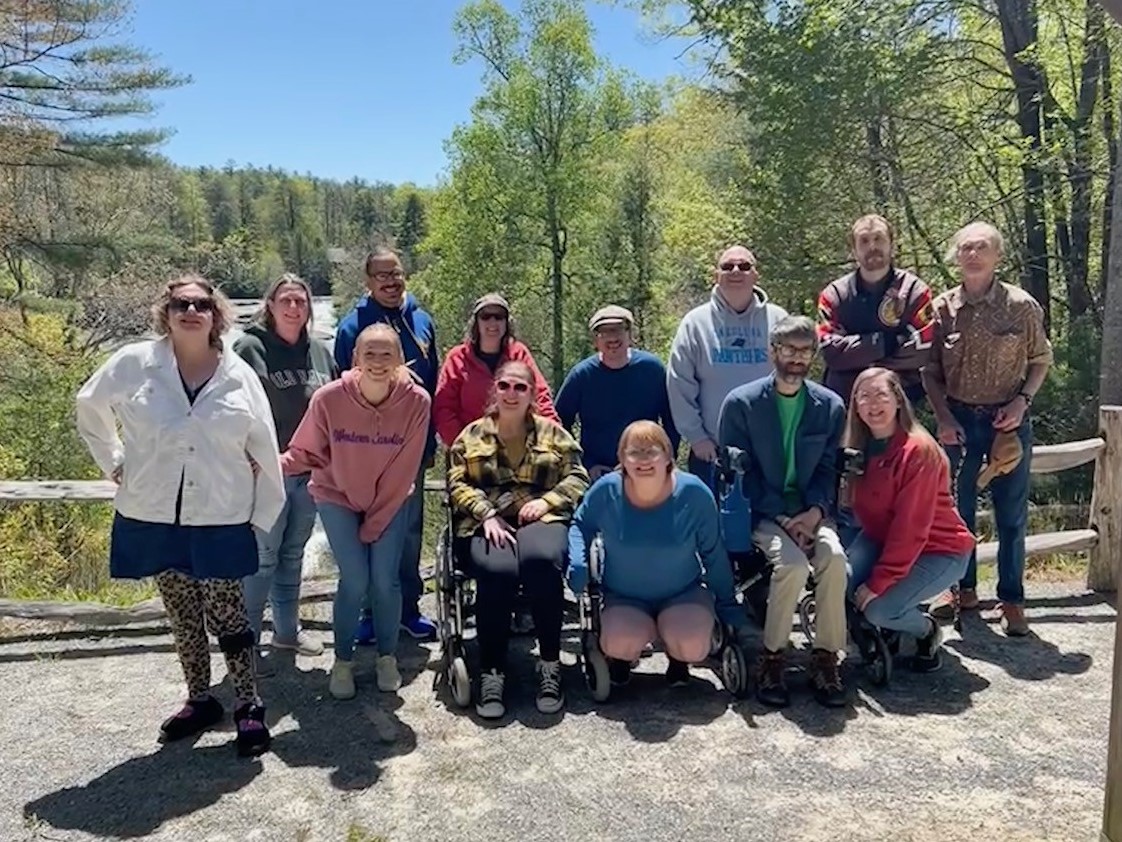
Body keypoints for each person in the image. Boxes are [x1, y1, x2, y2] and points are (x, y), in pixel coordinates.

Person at [76, 275, 285, 757]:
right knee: (182, 613)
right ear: (165, 312)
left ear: (216, 315)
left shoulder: (238, 375)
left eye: (201, 304)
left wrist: (262, 510)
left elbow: (264, 444)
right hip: (155, 513)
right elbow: (90, 405)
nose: (190, 311)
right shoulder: (134, 364)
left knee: (229, 614)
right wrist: (113, 460)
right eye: (179, 303)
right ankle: (200, 699)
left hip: (220, 513)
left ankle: (249, 706)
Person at [282, 324, 431, 700]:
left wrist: (376, 523)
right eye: (370, 354)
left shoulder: (417, 402)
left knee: (386, 580)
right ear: (355, 359)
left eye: (387, 355)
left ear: (400, 360)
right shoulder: (328, 399)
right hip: (337, 496)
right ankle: (343, 662)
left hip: (391, 499)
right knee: (355, 578)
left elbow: (404, 472)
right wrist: (268, 465)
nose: (378, 362)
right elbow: (305, 451)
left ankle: (386, 657)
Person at [921, 221, 1053, 637]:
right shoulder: (941, 309)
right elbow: (928, 370)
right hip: (958, 423)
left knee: (1011, 516)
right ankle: (961, 589)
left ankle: (1012, 598)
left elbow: (1041, 359)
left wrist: (1022, 402)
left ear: (998, 256)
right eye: (966, 248)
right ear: (956, 256)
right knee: (955, 515)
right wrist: (942, 417)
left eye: (982, 247)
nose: (973, 254)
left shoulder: (1022, 306)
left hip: (1007, 426)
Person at [717, 315, 848, 708]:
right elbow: (739, 473)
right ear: (773, 351)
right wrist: (785, 517)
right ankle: (772, 658)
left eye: (805, 350)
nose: (796, 358)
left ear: (814, 355)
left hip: (810, 513)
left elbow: (829, 468)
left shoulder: (829, 406)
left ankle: (825, 657)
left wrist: (814, 512)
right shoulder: (741, 404)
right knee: (791, 564)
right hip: (761, 513)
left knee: (835, 558)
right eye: (788, 349)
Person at [447, 360, 590, 719]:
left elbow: (577, 475)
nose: (512, 394)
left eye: (520, 388)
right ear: (494, 390)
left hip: (540, 517)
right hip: (485, 523)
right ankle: (492, 670)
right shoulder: (471, 435)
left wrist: (547, 501)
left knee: (541, 563)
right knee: (497, 570)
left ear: (531, 395)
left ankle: (549, 665)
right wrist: (486, 514)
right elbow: (456, 483)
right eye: (505, 386)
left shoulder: (553, 434)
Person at [567, 421, 747, 687]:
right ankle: (622, 657)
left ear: (667, 456)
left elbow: (713, 552)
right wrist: (578, 561)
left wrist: (727, 603)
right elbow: (580, 525)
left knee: (693, 645)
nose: (643, 460)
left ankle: (678, 659)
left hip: (683, 592)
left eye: (651, 451)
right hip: (624, 596)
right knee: (619, 641)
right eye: (634, 452)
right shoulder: (606, 490)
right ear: (622, 459)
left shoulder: (694, 493)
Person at [333, 247, 439, 643]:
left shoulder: (422, 321)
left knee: (409, 530)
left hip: (411, 447)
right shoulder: (351, 328)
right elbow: (340, 390)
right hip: (365, 449)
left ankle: (407, 609)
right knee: (368, 529)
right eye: (381, 276)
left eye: (395, 273)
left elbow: (435, 382)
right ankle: (369, 613)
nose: (390, 282)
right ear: (368, 282)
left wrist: (430, 442)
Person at [234, 273, 338, 671]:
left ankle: (286, 633)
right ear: (270, 305)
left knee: (292, 554)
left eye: (301, 301)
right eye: (286, 300)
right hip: (266, 472)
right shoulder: (250, 348)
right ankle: (245, 645)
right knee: (263, 557)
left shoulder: (320, 353)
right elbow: (231, 406)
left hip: (310, 473)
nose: (294, 307)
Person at [844, 368, 976, 672]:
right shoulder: (856, 450)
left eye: (882, 395)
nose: (873, 405)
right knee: (842, 582)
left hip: (939, 549)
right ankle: (891, 625)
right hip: (883, 538)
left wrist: (878, 582)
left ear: (899, 401)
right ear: (855, 406)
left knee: (878, 608)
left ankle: (926, 631)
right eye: (864, 397)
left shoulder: (918, 451)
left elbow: (911, 529)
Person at [668, 244, 788, 481]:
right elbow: (679, 384)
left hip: (770, 451)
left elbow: (793, 379)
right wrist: (697, 438)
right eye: (727, 266)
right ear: (716, 276)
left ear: (755, 275)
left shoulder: (779, 320)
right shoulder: (696, 323)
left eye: (744, 266)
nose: (736, 271)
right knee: (715, 518)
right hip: (712, 454)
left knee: (772, 519)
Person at [817, 214, 936, 405]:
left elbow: (923, 348)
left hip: (902, 401)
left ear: (891, 244)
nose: (872, 247)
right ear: (853, 250)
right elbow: (831, 351)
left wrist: (865, 360)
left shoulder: (915, 291)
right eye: (864, 241)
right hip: (846, 402)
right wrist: (885, 343)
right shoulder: (834, 296)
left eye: (879, 239)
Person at [555, 305, 680, 479]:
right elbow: (559, 424)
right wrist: (582, 465)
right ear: (595, 341)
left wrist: (666, 460)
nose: (612, 337)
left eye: (618, 330)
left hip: (646, 468)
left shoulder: (652, 370)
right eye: (604, 332)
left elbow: (672, 420)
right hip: (598, 472)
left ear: (630, 335)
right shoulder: (582, 375)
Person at [433, 292, 558, 447]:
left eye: (499, 316)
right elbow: (444, 409)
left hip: (517, 447)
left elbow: (541, 397)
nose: (493, 322)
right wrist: (463, 445)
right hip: (469, 449)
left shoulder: (519, 353)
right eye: (486, 316)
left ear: (507, 322)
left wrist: (553, 437)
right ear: (476, 323)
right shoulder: (457, 358)